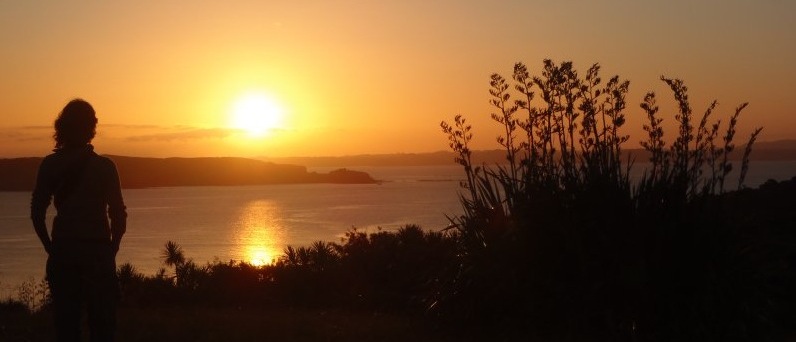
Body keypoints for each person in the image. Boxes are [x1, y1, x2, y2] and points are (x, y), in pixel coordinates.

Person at [31, 99, 127, 342]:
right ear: (91, 128)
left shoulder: (51, 165)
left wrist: (50, 247)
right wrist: (111, 250)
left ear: (62, 126)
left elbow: (36, 213)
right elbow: (118, 214)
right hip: (98, 252)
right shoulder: (106, 167)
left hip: (64, 251)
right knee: (103, 327)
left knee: (66, 326)